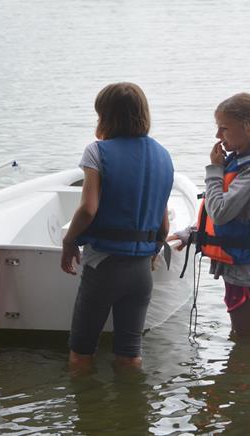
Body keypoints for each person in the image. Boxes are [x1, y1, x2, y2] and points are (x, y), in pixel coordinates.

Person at [60, 82, 174, 372]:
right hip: (141, 272)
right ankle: (133, 402)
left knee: (81, 353)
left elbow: (88, 209)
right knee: (130, 355)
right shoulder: (163, 156)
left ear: (106, 117)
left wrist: (69, 241)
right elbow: (163, 224)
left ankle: (85, 402)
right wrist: (151, 252)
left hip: (103, 267)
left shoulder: (96, 152)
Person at [169, 93, 250, 343]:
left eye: (224, 128)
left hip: (247, 268)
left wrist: (215, 170)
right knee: (240, 336)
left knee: (248, 341)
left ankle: (246, 368)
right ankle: (239, 366)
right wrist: (193, 233)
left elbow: (219, 212)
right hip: (240, 262)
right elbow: (228, 213)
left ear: (248, 128)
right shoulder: (241, 161)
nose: (218, 135)